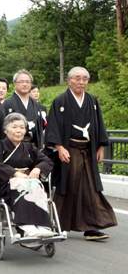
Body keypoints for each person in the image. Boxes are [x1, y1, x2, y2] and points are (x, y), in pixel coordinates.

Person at [45, 66, 117, 241]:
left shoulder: (92, 101)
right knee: (65, 186)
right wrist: (60, 147)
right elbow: (53, 126)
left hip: (88, 151)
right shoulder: (60, 101)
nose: (81, 82)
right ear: (69, 80)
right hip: (68, 151)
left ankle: (91, 228)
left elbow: (99, 125)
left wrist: (100, 147)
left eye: (84, 79)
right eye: (77, 78)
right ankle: (56, 225)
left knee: (90, 188)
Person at [0, 113, 55, 239]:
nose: (18, 130)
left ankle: (42, 226)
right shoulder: (0, 146)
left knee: (36, 187)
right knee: (24, 188)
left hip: (29, 181)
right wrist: (15, 173)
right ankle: (27, 227)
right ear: (6, 130)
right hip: (7, 184)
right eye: (14, 127)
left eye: (22, 127)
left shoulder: (29, 147)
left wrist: (37, 169)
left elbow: (47, 161)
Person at [1, 70, 44, 149]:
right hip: (13, 146)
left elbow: (39, 128)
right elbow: (3, 127)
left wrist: (40, 146)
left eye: (27, 82)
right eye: (21, 82)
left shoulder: (35, 105)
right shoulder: (8, 103)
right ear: (15, 84)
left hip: (32, 146)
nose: (25, 84)